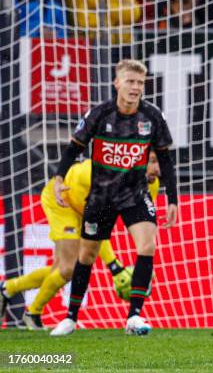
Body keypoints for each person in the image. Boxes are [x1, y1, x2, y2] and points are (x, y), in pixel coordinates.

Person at [49, 59, 178, 336]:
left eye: (140, 83)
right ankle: (71, 317)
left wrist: (173, 199)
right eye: (130, 81)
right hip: (101, 195)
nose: (135, 87)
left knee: (147, 245)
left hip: (135, 193)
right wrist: (59, 179)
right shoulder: (100, 114)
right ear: (117, 83)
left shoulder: (152, 116)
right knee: (87, 253)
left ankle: (134, 317)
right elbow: (73, 148)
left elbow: (166, 160)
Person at [0, 153, 161, 330]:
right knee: (68, 268)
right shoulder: (95, 174)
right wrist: (115, 267)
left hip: (84, 207)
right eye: (152, 162)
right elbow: (96, 226)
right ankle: (33, 313)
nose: (157, 170)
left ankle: (8, 289)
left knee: (59, 269)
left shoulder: (150, 186)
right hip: (62, 201)